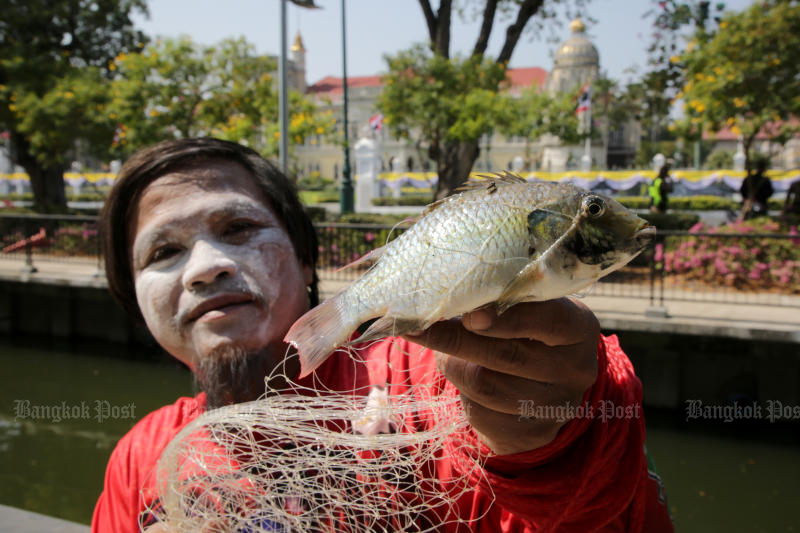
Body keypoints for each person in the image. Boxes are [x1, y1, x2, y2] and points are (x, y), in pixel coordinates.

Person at [91, 138, 673, 533]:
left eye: (239, 227)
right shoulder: (137, 461)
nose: (205, 268)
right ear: (131, 297)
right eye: (164, 252)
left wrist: (561, 433)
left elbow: (607, 510)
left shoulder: (424, 371)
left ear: (306, 259)